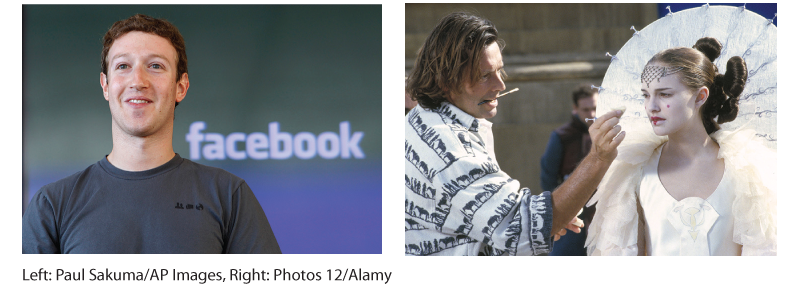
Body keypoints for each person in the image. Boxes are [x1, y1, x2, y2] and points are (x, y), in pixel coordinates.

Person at [22, 14, 281, 254]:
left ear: (181, 87)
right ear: (106, 85)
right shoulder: (52, 205)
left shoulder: (228, 196)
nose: (138, 81)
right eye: (123, 66)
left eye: (155, 66)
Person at [404, 12, 625, 256]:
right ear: (446, 81)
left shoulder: (424, 117)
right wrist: (598, 158)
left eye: (500, 71)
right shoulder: (447, 148)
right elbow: (522, 228)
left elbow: (485, 232)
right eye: (485, 75)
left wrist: (552, 213)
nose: (500, 85)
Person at [586, 37, 777, 256]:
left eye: (664, 94)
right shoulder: (633, 171)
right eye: (646, 95)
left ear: (700, 97)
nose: (651, 107)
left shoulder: (749, 173)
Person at [540, 84, 597, 256]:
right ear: (575, 108)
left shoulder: (607, 133)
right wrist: (561, 211)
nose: (591, 114)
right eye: (586, 109)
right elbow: (548, 178)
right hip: (572, 215)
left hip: (603, 212)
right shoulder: (561, 136)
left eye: (595, 108)